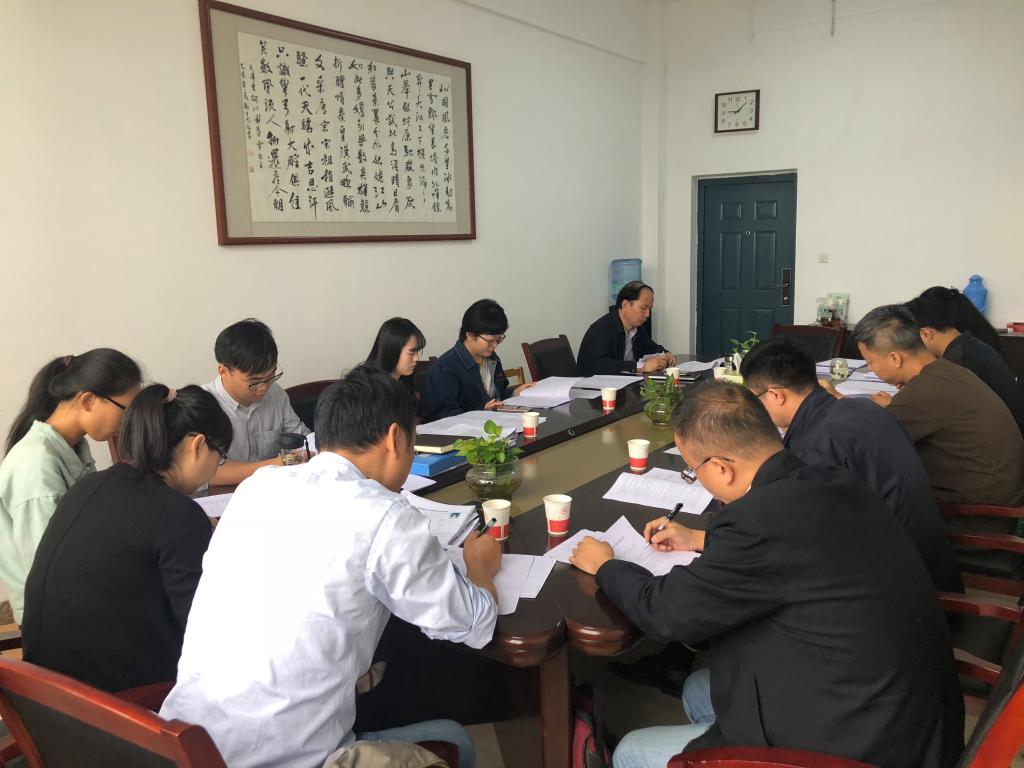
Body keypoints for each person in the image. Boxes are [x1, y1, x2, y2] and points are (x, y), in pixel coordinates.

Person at [570, 383, 963, 768]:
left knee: (632, 751)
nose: (696, 478)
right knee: (699, 689)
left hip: (860, 747)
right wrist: (698, 539)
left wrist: (605, 565)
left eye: (692, 470)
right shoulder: (829, 479)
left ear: (721, 468)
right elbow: (796, 551)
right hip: (912, 716)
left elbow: (666, 613)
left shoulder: (756, 523)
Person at [160, 364, 500, 768]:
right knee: (455, 739)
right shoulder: (386, 517)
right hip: (284, 759)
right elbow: (475, 625)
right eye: (413, 444)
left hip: (183, 747)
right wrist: (480, 567)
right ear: (395, 438)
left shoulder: (257, 487)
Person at [21, 384, 232, 692]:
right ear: (197, 445)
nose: (215, 469)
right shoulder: (177, 514)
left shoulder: (88, 487)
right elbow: (204, 633)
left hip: (40, 694)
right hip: (116, 705)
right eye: (220, 457)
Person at [740, 337, 962, 592]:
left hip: (899, 588)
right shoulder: (859, 408)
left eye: (754, 401)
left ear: (776, 395)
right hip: (929, 563)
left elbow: (802, 535)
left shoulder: (815, 446)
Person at [0, 349, 141, 624]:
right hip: (56, 617)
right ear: (88, 401)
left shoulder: (72, 446)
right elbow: (53, 568)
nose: (128, 421)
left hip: (79, 596)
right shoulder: (36, 464)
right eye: (126, 410)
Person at [850, 304, 1024, 506]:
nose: (871, 369)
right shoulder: (947, 370)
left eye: (870, 362)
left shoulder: (922, 392)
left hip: (976, 512)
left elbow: (865, 443)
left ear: (895, 358)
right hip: (999, 493)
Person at [204, 318, 309, 486]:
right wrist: (278, 463)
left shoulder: (276, 394)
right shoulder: (203, 405)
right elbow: (209, 473)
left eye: (271, 376)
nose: (264, 387)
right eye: (254, 381)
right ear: (223, 371)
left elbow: (303, 438)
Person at [907, 288, 1024, 433]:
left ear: (926, 333)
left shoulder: (961, 360)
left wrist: (898, 405)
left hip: (1002, 436)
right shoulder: (969, 345)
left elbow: (943, 413)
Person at [423, 299, 533, 421]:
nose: (495, 345)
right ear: (470, 335)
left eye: (498, 339)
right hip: (467, 431)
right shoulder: (445, 368)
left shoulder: (492, 359)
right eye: (490, 340)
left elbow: (497, 396)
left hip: (495, 423)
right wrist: (481, 412)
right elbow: (443, 416)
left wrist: (514, 393)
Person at [576, 281, 676, 376]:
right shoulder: (601, 329)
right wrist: (641, 367)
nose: (647, 314)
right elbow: (600, 365)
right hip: (594, 386)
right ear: (625, 305)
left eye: (650, 308)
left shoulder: (637, 327)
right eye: (643, 308)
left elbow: (651, 347)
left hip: (624, 383)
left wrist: (665, 353)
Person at [366, 317, 426, 415]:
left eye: (417, 352)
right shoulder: (370, 390)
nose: (416, 358)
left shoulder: (405, 380)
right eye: (411, 353)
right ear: (392, 351)